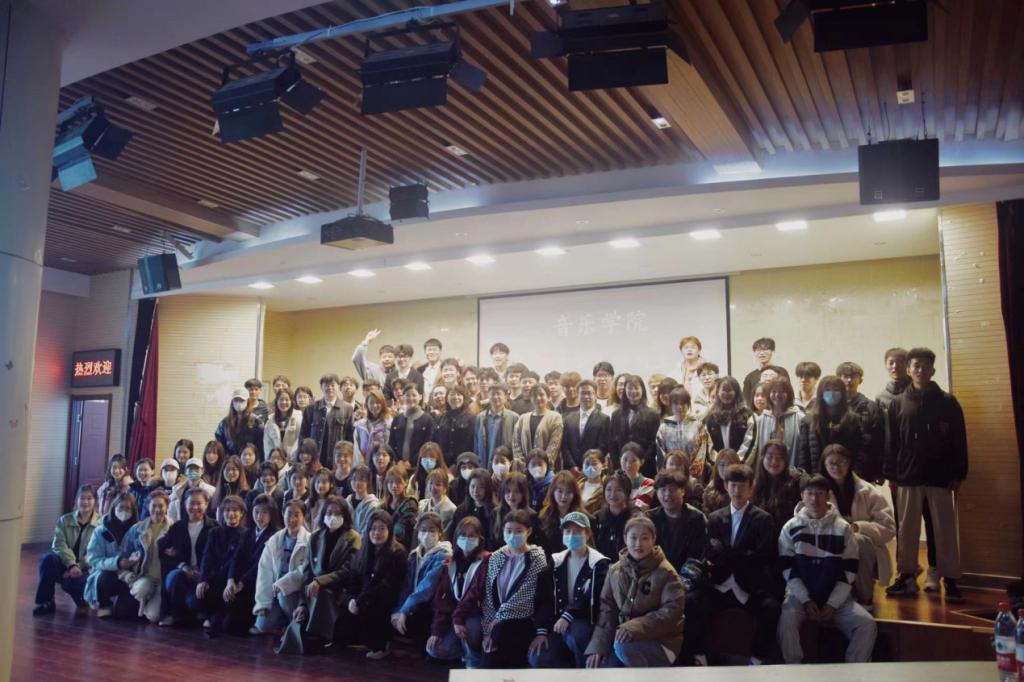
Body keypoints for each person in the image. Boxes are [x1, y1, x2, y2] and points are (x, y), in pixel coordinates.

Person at [884, 347, 967, 601]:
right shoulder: (898, 403)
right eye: (916, 366)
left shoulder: (947, 402)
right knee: (906, 530)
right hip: (907, 476)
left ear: (933, 370)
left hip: (939, 476)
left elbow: (959, 440)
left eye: (925, 366)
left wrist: (959, 473)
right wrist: (891, 474)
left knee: (944, 529)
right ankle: (906, 577)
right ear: (909, 370)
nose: (920, 370)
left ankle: (950, 579)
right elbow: (891, 442)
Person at [777, 474, 877, 663]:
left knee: (866, 624)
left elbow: (848, 572)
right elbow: (789, 570)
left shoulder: (843, 528)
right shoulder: (790, 528)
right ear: (802, 496)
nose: (814, 499)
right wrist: (806, 600)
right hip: (800, 598)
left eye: (819, 494)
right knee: (786, 619)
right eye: (810, 493)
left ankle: (854, 672)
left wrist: (832, 603)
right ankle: (793, 670)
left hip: (836, 599)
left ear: (828, 496)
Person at [584, 516, 686, 668]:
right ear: (625, 538)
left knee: (623, 649)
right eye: (633, 538)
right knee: (600, 665)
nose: (638, 544)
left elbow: (672, 612)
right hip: (624, 638)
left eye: (644, 538)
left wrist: (635, 627)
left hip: (661, 641)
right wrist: (599, 646)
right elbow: (607, 610)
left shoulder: (666, 572)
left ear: (653, 539)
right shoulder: (614, 571)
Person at [704, 464, 780, 665]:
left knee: (771, 608)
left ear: (751, 488)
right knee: (693, 601)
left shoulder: (763, 519)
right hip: (720, 582)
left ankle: (757, 659)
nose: (737, 490)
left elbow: (762, 556)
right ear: (726, 486)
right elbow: (710, 553)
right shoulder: (715, 518)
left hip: (749, 584)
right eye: (733, 485)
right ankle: (700, 656)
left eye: (742, 486)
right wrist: (740, 553)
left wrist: (726, 552)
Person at [529, 512, 610, 668]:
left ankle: (583, 672)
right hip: (557, 623)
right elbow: (544, 598)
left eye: (578, 531)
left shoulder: (599, 563)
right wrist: (541, 630)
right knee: (537, 657)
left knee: (576, 635)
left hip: (585, 621)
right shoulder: (556, 561)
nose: (572, 536)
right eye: (567, 532)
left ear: (588, 534)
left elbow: (592, 597)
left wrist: (568, 615)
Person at [821, 444, 895, 608]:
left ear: (849, 463)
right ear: (824, 465)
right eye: (831, 463)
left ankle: (864, 597)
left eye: (841, 462)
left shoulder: (868, 491)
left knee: (859, 541)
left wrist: (858, 527)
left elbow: (888, 528)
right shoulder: (819, 491)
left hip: (863, 548)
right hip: (830, 543)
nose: (836, 467)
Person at [333, 509, 407, 659]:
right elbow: (353, 582)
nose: (376, 533)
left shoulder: (397, 553)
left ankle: (382, 645)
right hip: (363, 597)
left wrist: (359, 601)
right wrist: (351, 600)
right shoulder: (364, 550)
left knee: (373, 606)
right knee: (341, 627)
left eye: (382, 528)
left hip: (384, 600)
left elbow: (386, 586)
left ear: (389, 530)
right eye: (373, 529)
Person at [480, 509, 548, 668]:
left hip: (522, 619)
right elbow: (489, 594)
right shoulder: (496, 556)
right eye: (509, 531)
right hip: (496, 622)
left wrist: (499, 618)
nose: (513, 535)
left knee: (501, 634)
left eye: (518, 531)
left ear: (528, 531)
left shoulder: (536, 558)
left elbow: (527, 594)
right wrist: (487, 629)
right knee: (489, 649)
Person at [291, 496, 362, 648]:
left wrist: (320, 581)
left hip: (340, 588)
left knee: (322, 592)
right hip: (314, 588)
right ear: (323, 515)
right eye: (329, 513)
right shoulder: (315, 537)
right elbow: (307, 572)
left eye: (338, 513)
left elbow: (347, 570)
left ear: (345, 515)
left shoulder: (353, 537)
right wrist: (302, 603)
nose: (333, 517)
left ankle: (320, 635)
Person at [427, 516, 490, 667]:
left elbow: (475, 595)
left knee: (470, 625)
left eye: (472, 536)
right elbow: (442, 599)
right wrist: (437, 630)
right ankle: (465, 651)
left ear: (480, 539)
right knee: (434, 649)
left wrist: (458, 619)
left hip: (476, 615)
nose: (467, 539)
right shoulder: (450, 562)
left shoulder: (486, 560)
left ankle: (473, 659)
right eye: (463, 535)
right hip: (455, 616)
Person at [108, 490, 173, 622]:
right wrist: (126, 575)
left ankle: (150, 605)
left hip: (163, 582)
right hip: (143, 579)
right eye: (154, 506)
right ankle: (143, 599)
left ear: (167, 507)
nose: (157, 510)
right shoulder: (136, 529)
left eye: (161, 506)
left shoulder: (175, 529)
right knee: (138, 593)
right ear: (148, 507)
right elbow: (122, 555)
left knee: (153, 617)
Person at [34, 484, 99, 616]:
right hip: (66, 565)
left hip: (86, 569)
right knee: (48, 560)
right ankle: (46, 601)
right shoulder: (64, 520)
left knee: (78, 593)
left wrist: (78, 567)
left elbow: (96, 552)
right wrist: (71, 565)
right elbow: (58, 544)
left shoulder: (101, 523)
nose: (85, 502)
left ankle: (82, 597)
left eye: (89, 498)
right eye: (82, 498)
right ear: (76, 500)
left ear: (95, 501)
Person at [219, 493, 279, 635]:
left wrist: (241, 583)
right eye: (256, 512)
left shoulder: (275, 535)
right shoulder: (248, 532)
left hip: (259, 584)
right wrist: (230, 580)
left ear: (271, 514)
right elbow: (236, 558)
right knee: (223, 624)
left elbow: (259, 565)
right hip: (241, 581)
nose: (259, 517)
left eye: (264, 512)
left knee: (233, 626)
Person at [158, 486, 218, 627]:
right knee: (175, 577)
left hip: (205, 575)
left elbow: (217, 556)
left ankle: (201, 612)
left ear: (206, 504)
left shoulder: (214, 527)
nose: (195, 507)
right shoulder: (177, 527)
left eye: (199, 503)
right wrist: (183, 566)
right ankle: (176, 616)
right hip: (182, 573)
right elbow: (164, 551)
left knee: (194, 601)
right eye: (191, 503)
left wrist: (202, 572)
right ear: (185, 505)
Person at [392, 512, 453, 644]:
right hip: (414, 604)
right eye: (423, 530)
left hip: (431, 607)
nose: (427, 534)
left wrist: (404, 610)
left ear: (440, 533)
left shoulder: (443, 555)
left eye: (432, 530)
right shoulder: (414, 555)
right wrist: (398, 610)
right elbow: (407, 586)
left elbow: (427, 587)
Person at [252, 500, 311, 634]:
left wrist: (284, 583)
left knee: (284, 596)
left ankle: (294, 624)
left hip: (298, 593)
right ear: (283, 514)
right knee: (263, 625)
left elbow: (305, 570)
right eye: (289, 514)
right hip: (276, 593)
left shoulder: (310, 540)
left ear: (303, 517)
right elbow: (264, 572)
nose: (292, 519)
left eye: (297, 515)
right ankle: (284, 621)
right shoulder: (274, 539)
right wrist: (263, 603)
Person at [194, 494, 247, 631]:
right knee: (197, 596)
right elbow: (207, 557)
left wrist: (232, 581)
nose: (231, 514)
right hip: (215, 579)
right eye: (227, 510)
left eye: (235, 510)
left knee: (227, 625)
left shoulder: (246, 534)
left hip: (233, 582)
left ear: (241, 513)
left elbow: (240, 562)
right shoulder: (214, 532)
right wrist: (203, 579)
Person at [797, 375, 867, 476]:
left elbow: (860, 450)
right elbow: (803, 454)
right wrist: (805, 478)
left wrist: (854, 474)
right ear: (820, 393)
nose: (832, 393)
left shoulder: (853, 420)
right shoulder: (808, 421)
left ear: (843, 393)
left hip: (845, 476)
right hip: (817, 477)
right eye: (828, 390)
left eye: (836, 390)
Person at [84, 492, 138, 617]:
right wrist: (117, 563)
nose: (124, 511)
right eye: (121, 507)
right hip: (106, 574)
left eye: (128, 508)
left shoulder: (137, 530)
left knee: (125, 613)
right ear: (114, 508)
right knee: (105, 578)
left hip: (129, 577)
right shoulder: (101, 530)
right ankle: (104, 603)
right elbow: (93, 559)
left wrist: (133, 561)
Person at [836, 362, 885, 482]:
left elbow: (879, 440)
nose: (849, 380)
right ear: (839, 379)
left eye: (853, 376)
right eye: (845, 376)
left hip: (864, 470)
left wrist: (879, 471)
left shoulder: (871, 407)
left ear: (860, 380)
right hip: (835, 468)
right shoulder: (832, 407)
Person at [739, 379, 803, 465]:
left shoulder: (800, 418)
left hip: (793, 467)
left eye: (782, 391)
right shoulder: (761, 420)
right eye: (774, 391)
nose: (777, 395)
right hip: (766, 468)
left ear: (789, 394)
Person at [752, 440, 807, 540]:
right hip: (762, 538)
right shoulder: (756, 483)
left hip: (789, 538)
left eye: (779, 458)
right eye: (770, 457)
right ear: (762, 458)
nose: (774, 461)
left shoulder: (796, 481)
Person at [609, 375, 660, 476]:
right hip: (622, 468)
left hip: (646, 467)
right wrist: (619, 463)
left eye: (636, 388)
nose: (633, 391)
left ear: (642, 390)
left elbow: (654, 443)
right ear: (625, 390)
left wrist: (641, 462)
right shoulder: (616, 415)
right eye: (629, 388)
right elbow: (612, 442)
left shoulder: (653, 414)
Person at [656, 386, 713, 477]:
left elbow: (702, 452)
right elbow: (661, 453)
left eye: (683, 403)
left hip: (694, 476)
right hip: (671, 475)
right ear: (670, 405)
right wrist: (668, 472)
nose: (680, 407)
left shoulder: (698, 426)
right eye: (676, 403)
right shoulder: (664, 427)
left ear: (688, 404)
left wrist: (693, 474)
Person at [301, 373, 355, 468]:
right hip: (314, 460)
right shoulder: (311, 409)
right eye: (326, 385)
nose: (329, 388)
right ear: (321, 387)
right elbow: (303, 435)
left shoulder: (347, 409)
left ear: (338, 387)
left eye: (333, 385)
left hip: (337, 460)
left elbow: (350, 437)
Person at [561, 380, 610, 474]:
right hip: (571, 470)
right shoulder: (568, 419)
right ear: (577, 395)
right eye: (583, 393)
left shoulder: (604, 419)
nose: (586, 397)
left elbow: (603, 446)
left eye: (589, 393)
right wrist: (572, 466)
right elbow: (565, 446)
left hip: (593, 469)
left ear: (595, 395)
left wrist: (588, 465)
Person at [513, 385, 564, 468]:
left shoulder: (555, 417)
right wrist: (523, 464)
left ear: (548, 397)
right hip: (524, 469)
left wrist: (542, 464)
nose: (538, 398)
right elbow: (516, 443)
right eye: (534, 395)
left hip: (546, 468)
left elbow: (554, 444)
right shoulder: (522, 418)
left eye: (541, 395)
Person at [537, 471, 587, 557]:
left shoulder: (583, 518)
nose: (564, 496)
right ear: (552, 491)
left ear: (575, 494)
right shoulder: (543, 517)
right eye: (560, 491)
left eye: (569, 492)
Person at [474, 382, 518, 470]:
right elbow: (476, 443)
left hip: (505, 464)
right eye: (492, 394)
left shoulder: (514, 417)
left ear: (505, 397)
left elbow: (517, 444)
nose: (495, 397)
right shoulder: (480, 417)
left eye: (498, 394)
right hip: (485, 463)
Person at [388, 381, 434, 464]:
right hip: (399, 465)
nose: (410, 398)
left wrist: (412, 462)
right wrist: (398, 461)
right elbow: (391, 443)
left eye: (414, 395)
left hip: (419, 464)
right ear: (403, 397)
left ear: (420, 397)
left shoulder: (428, 419)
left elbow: (427, 445)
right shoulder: (397, 419)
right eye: (407, 395)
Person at [593, 472, 633, 560]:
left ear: (627, 492)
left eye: (619, 490)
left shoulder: (634, 518)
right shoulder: (597, 517)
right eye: (609, 489)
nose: (613, 494)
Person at [452, 469, 497, 549]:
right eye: (473, 486)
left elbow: (493, 540)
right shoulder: (461, 510)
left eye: (481, 487)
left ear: (488, 488)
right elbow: (454, 535)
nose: (475, 490)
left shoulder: (494, 512)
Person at [352, 329, 399, 401]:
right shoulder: (371, 369)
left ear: (395, 358)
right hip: (374, 404)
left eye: (390, 357)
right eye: (384, 357)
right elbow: (357, 359)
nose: (387, 359)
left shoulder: (399, 373)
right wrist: (366, 342)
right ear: (380, 358)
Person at [216, 389, 265, 458]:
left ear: (247, 402)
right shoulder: (225, 423)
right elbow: (219, 445)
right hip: (230, 461)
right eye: (236, 400)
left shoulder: (256, 422)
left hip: (249, 460)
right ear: (232, 402)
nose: (238, 403)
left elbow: (260, 447)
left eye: (242, 401)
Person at [742, 338, 790, 408]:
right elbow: (747, 400)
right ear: (754, 352)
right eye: (758, 350)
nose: (762, 353)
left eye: (765, 349)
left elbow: (788, 393)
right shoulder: (750, 377)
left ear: (772, 351)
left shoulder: (781, 372)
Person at [352, 386, 393, 467]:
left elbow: (389, 447)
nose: (374, 405)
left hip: (382, 465)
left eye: (378, 402)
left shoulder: (389, 424)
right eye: (371, 402)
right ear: (367, 404)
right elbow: (356, 448)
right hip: (364, 465)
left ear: (383, 404)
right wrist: (361, 464)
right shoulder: (360, 425)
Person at [435, 384, 475, 465]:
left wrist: (457, 464)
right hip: (443, 463)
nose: (455, 397)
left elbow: (472, 444)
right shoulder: (440, 418)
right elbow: (436, 441)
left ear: (464, 398)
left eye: (459, 394)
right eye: (452, 394)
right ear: (447, 398)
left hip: (463, 463)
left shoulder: (471, 419)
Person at [169, 457, 216, 523]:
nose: (193, 471)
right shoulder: (177, 490)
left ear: (202, 470)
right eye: (190, 468)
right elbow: (172, 512)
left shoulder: (211, 490)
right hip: (182, 526)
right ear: (186, 471)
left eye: (196, 469)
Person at [382, 465, 419, 550]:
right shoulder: (382, 506)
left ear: (405, 483)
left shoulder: (410, 504)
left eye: (398, 482)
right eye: (391, 482)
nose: (394, 486)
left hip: (402, 548)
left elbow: (401, 531)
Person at [264, 387, 303, 462]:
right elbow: (267, 443)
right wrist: (271, 459)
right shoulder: (270, 420)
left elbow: (299, 439)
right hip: (275, 461)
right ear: (277, 401)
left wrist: (291, 458)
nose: (284, 402)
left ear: (291, 401)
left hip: (293, 460)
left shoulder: (298, 417)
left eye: (287, 399)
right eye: (281, 399)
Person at [702, 449, 741, 515]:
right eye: (722, 465)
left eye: (730, 464)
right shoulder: (709, 490)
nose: (726, 469)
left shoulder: (744, 487)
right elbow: (707, 515)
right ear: (717, 467)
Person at [618, 443, 655, 511]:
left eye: (634, 460)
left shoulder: (648, 483)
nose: (628, 465)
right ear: (620, 460)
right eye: (625, 460)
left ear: (642, 462)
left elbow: (640, 508)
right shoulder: (615, 482)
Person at [347, 464, 381, 536]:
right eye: (354, 479)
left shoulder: (373, 505)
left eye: (361, 480)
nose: (357, 483)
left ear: (368, 482)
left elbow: (368, 530)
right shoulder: (347, 502)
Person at [578, 450, 606, 515]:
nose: (590, 467)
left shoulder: (606, 487)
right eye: (587, 464)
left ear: (603, 465)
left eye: (594, 464)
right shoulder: (577, 485)